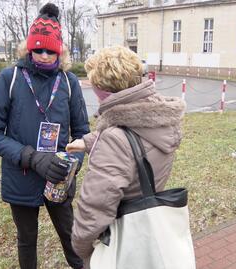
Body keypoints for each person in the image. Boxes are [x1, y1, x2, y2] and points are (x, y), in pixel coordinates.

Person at [0, 3, 89, 269]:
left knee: (72, 239)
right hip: (22, 177)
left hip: (59, 180)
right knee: (27, 241)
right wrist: (32, 157)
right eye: (37, 48)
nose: (42, 55)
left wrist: (72, 165)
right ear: (28, 47)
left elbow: (83, 134)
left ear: (59, 51)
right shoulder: (10, 78)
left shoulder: (68, 82)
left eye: (49, 50)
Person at [67, 46, 186, 267]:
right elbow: (134, 137)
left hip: (123, 237)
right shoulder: (159, 117)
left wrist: (80, 247)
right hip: (148, 220)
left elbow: (96, 208)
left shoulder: (115, 139)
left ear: (101, 89)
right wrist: (87, 142)